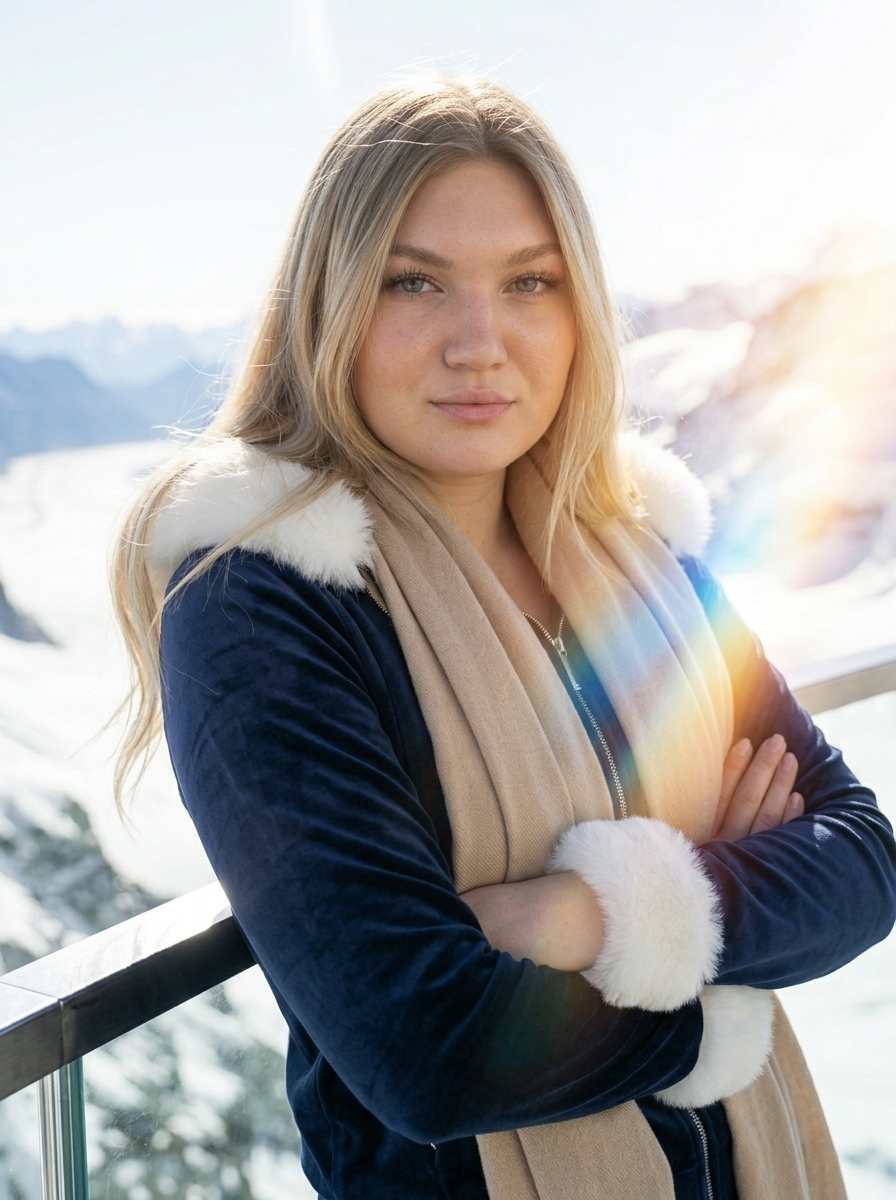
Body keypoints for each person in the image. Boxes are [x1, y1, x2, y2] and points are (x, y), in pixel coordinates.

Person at [112, 77, 896, 1200]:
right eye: (414, 281)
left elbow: (861, 859)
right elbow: (426, 1045)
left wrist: (583, 912)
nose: (479, 344)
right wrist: (717, 985)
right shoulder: (264, 601)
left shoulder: (638, 554)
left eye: (529, 282)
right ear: (330, 305)